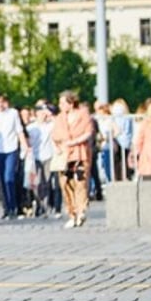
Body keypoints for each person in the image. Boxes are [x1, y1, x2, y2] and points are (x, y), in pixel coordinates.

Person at [51, 90, 93, 228]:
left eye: (63, 102)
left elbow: (88, 132)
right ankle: (71, 212)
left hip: (79, 153)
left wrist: (75, 141)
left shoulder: (83, 114)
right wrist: (57, 147)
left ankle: (81, 211)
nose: (60, 105)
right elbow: (54, 136)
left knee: (80, 182)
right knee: (65, 183)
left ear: (71, 102)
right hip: (64, 155)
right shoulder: (59, 118)